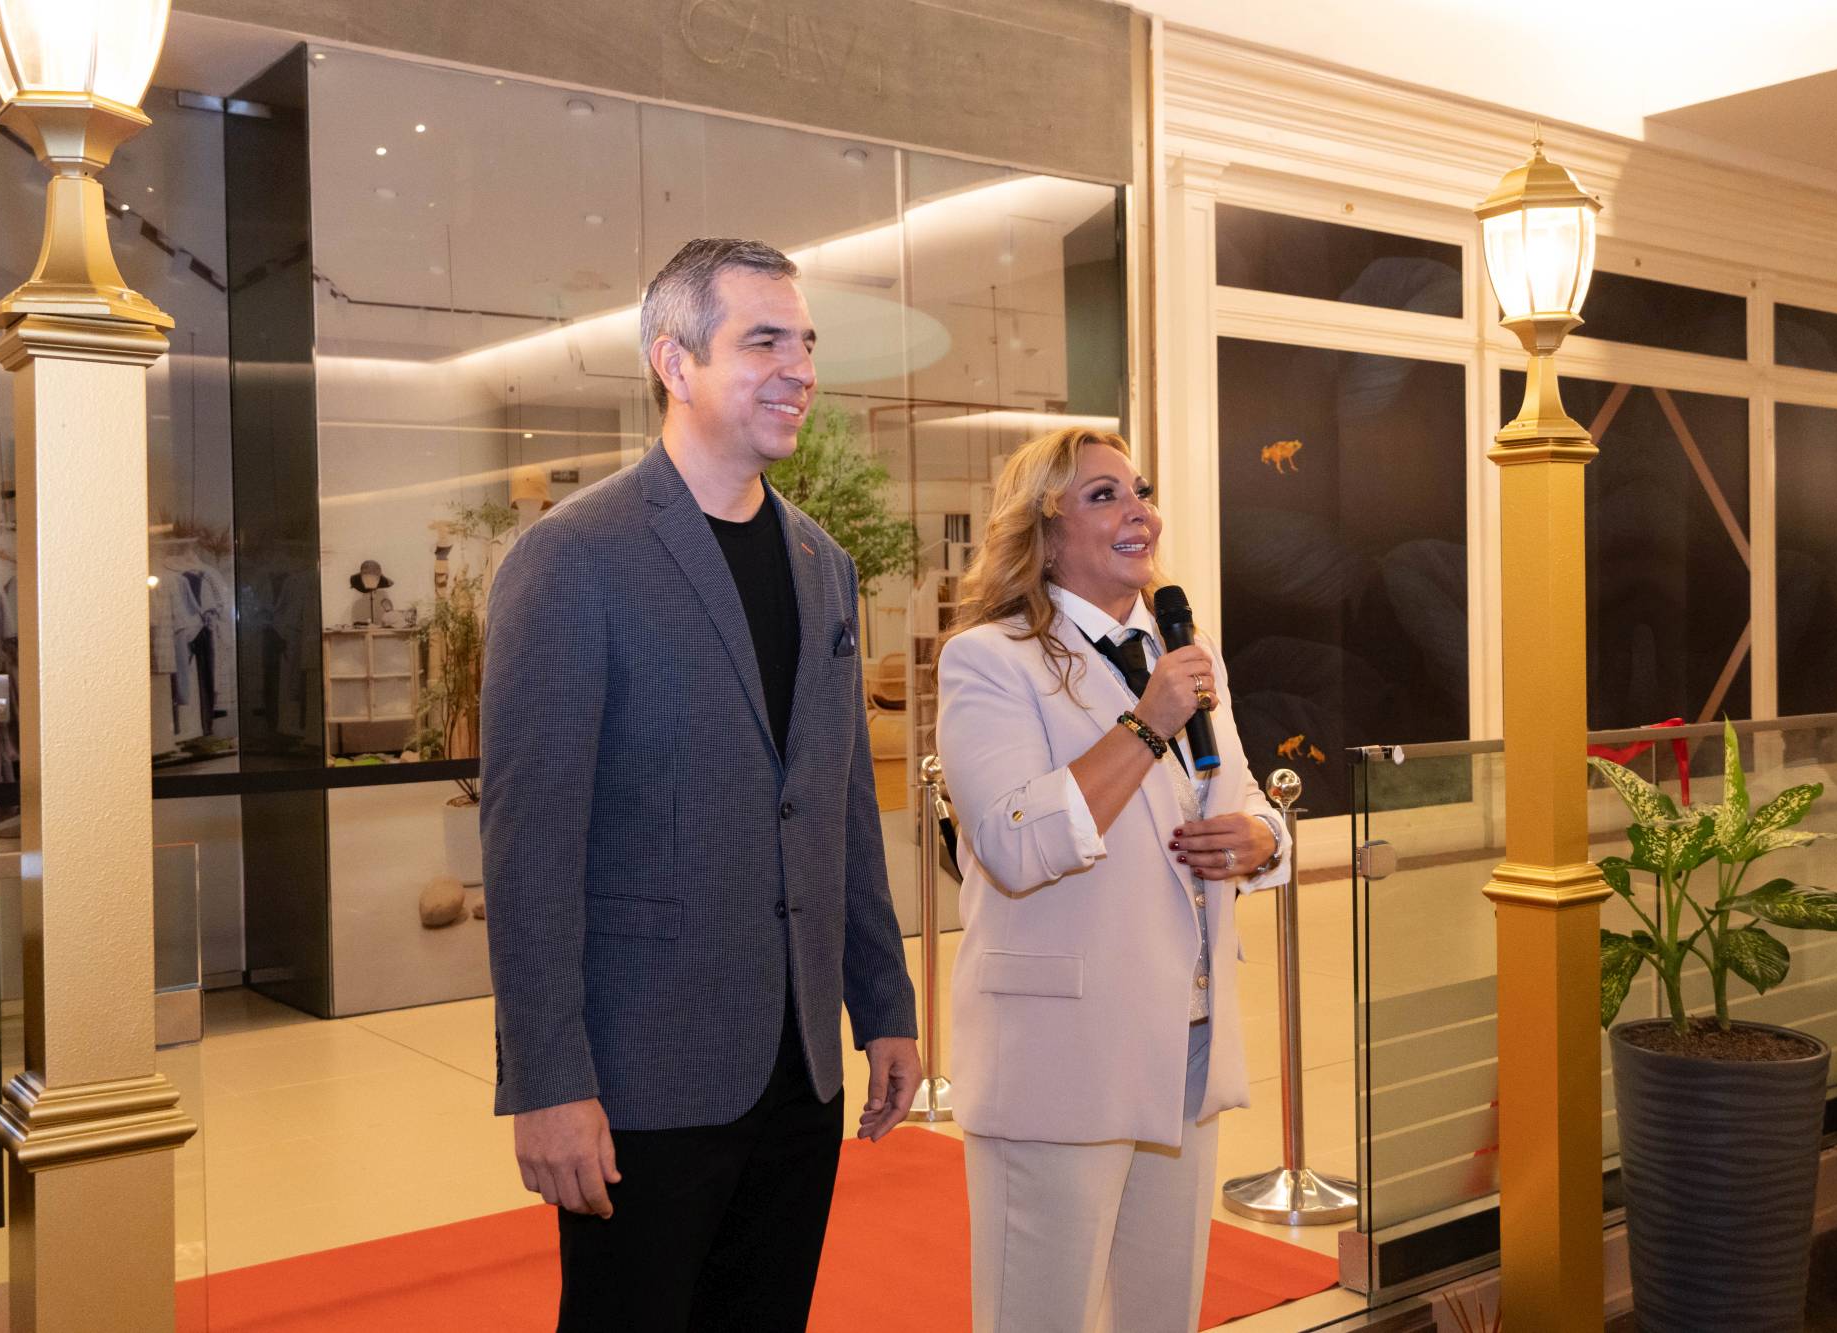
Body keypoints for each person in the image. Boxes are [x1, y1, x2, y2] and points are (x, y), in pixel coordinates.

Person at [480, 236, 921, 1332]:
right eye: (764, 341)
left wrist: (884, 1002)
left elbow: (837, 811)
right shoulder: (573, 558)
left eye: (805, 343)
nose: (800, 370)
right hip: (643, 1074)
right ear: (674, 362)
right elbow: (530, 848)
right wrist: (547, 1079)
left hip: (799, 1069)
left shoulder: (823, 567)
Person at [935, 426, 1293, 1333]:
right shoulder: (989, 659)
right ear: (1045, 530)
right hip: (1059, 1055)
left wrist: (1260, 840)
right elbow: (1012, 842)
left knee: (1161, 1315)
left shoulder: (1183, 651)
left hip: (1186, 1045)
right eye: (1105, 496)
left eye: (1142, 491)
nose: (1140, 513)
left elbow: (1245, 796)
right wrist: (1144, 724)